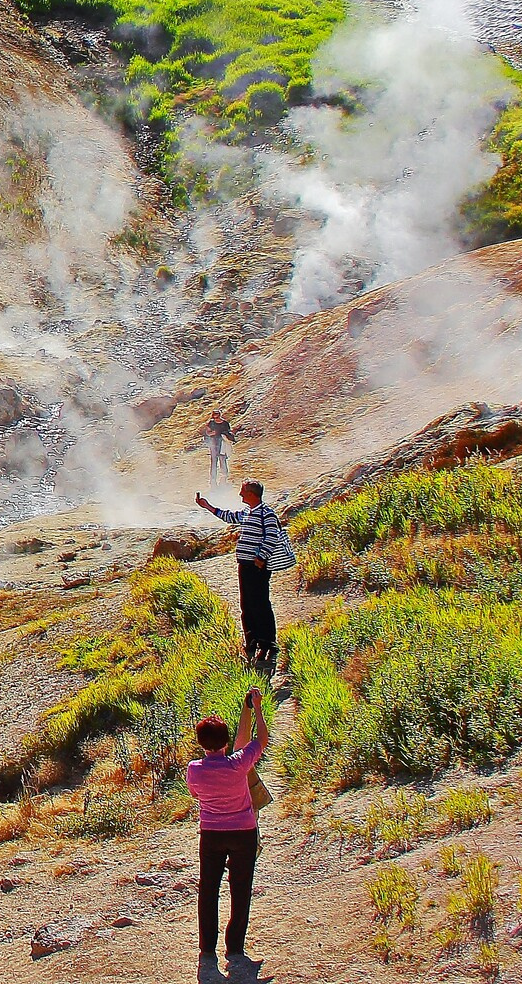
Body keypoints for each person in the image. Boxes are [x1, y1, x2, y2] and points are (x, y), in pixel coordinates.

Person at [188, 688, 269, 969]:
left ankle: (207, 948)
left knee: (208, 889)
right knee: (240, 889)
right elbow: (260, 740)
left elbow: (196, 795)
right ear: (224, 742)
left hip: (211, 834)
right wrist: (255, 709)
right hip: (243, 832)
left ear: (201, 743)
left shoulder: (194, 770)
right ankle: (234, 947)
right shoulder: (238, 764)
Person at [196, 481, 292, 666]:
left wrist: (261, 557)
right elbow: (229, 517)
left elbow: (272, 536)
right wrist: (207, 506)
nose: (240, 495)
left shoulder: (267, 513)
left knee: (260, 603)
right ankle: (252, 642)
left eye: (243, 491)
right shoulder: (249, 512)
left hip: (257, 566)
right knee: (246, 604)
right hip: (245, 565)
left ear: (252, 494)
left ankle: (268, 643)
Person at [202, 412, 238, 492]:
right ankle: (213, 478)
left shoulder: (225, 423)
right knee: (214, 461)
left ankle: (224, 477)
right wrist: (211, 434)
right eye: (214, 416)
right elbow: (207, 432)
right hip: (214, 444)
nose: (216, 418)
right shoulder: (211, 423)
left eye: (217, 416)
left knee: (222, 460)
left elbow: (229, 432)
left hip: (222, 444)